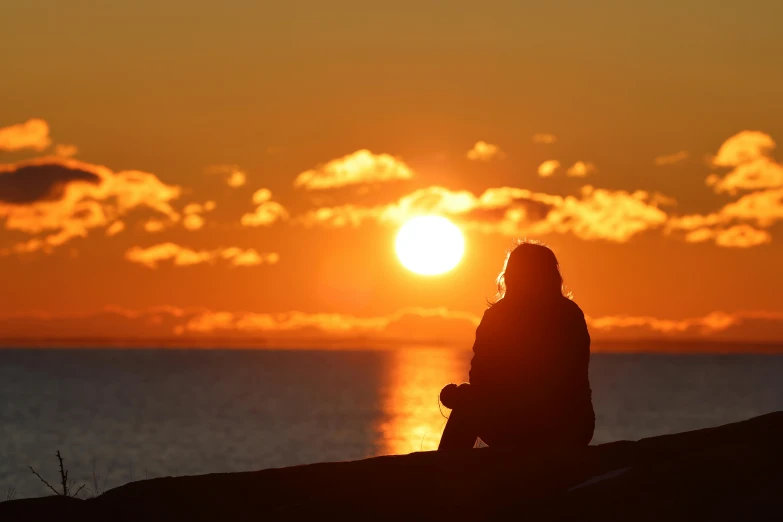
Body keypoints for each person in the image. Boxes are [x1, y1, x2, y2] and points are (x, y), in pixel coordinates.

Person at [438, 240, 595, 450]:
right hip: (574, 428)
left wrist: (458, 397)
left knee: (467, 399)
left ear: (510, 276)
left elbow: (480, 380)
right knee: (469, 396)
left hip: (524, 427)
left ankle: (442, 474)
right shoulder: (570, 314)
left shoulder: (497, 317)